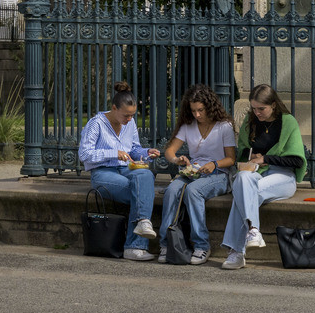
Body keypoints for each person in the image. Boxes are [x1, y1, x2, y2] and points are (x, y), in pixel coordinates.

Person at [219, 84, 306, 270]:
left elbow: (297, 161)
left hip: (282, 177)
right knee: (243, 179)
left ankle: (236, 251)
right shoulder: (250, 122)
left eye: (261, 109)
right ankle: (253, 231)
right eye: (254, 108)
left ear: (273, 105)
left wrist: (265, 158)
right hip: (255, 173)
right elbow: (242, 153)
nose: (257, 112)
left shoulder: (288, 122)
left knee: (244, 194)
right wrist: (248, 158)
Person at [79, 81, 162, 261]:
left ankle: (141, 227)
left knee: (146, 175)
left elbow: (133, 149)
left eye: (133, 115)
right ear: (114, 108)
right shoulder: (96, 124)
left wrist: (146, 152)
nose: (129, 120)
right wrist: (114, 153)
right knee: (140, 192)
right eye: (126, 115)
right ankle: (135, 245)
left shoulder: (129, 124)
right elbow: (84, 154)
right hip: (103, 173)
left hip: (127, 169)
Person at [156, 84, 237, 265]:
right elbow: (170, 151)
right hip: (193, 172)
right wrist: (177, 160)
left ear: (210, 107)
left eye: (200, 110)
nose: (197, 115)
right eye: (193, 111)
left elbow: (231, 159)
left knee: (193, 191)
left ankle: (202, 246)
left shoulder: (224, 126)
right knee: (172, 190)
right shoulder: (188, 125)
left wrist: (214, 164)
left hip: (219, 173)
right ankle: (166, 244)